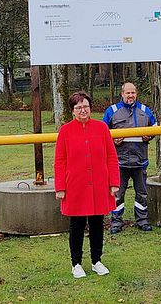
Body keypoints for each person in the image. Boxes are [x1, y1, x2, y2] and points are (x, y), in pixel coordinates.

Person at [54, 91, 120, 279]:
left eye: (85, 106)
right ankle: (76, 263)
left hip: (99, 184)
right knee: (76, 225)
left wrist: (114, 182)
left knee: (98, 224)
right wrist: (60, 187)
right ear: (72, 111)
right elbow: (60, 160)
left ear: (90, 108)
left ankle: (96, 261)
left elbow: (111, 156)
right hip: (75, 186)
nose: (83, 110)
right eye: (78, 107)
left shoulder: (101, 128)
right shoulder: (65, 131)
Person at [102, 82, 157, 234]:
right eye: (128, 93)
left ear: (136, 93)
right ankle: (116, 223)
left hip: (140, 160)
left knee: (142, 193)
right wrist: (112, 140)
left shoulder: (145, 110)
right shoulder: (112, 111)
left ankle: (142, 221)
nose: (130, 95)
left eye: (133, 93)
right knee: (118, 193)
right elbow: (102, 131)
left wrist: (149, 136)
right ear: (122, 94)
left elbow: (155, 128)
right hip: (119, 162)